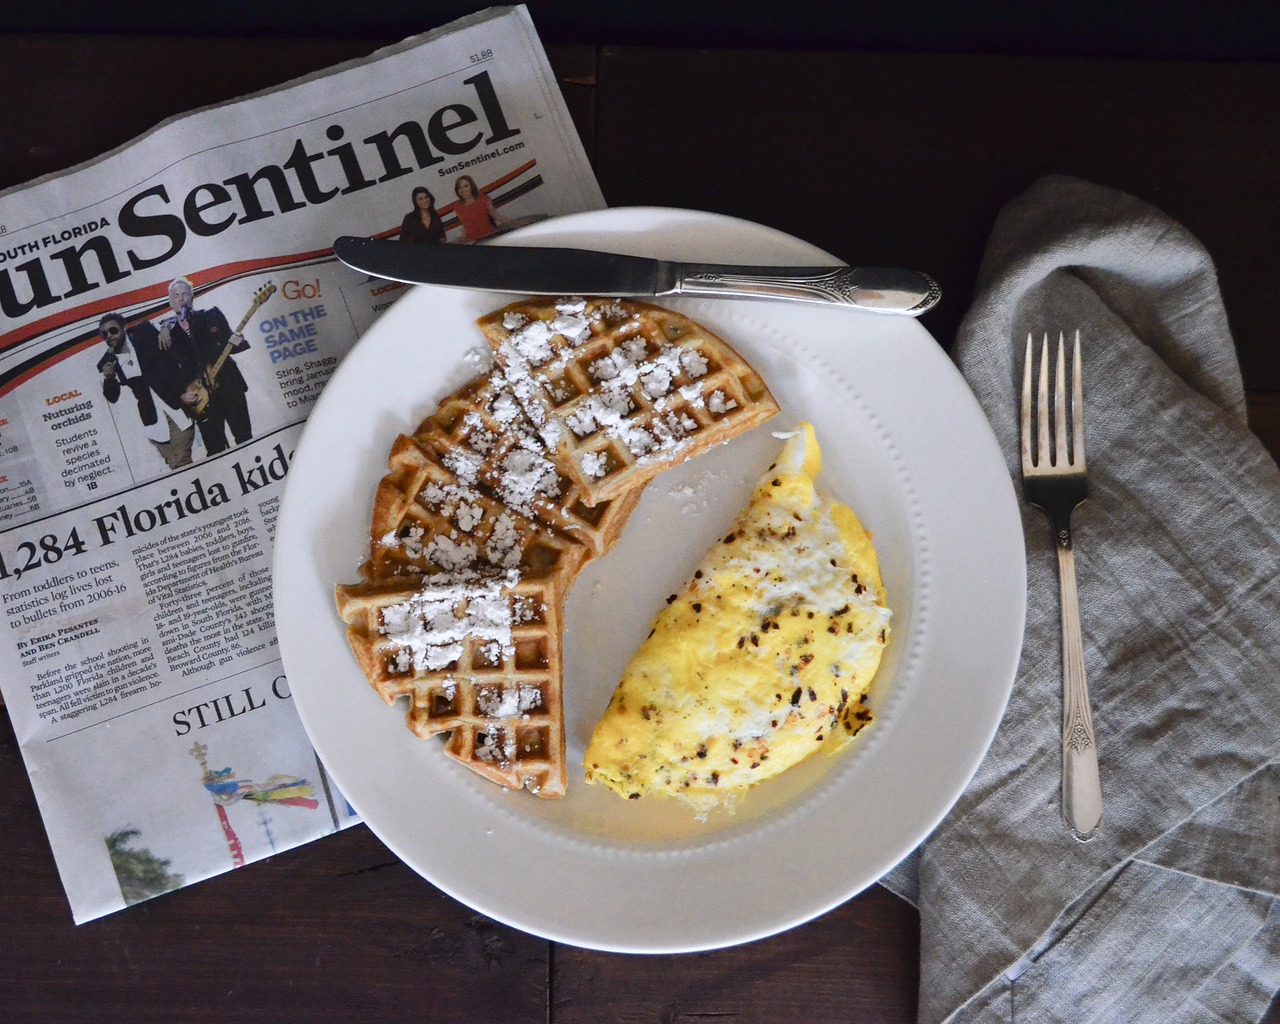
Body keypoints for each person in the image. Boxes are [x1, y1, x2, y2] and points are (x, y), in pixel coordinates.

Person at [161, 277, 253, 455]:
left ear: (192, 297)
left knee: (244, 437)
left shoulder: (210, 316)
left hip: (230, 388)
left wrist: (238, 341)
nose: (181, 299)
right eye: (176, 296)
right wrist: (181, 395)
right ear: (170, 302)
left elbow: (231, 344)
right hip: (200, 399)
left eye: (184, 294)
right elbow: (168, 373)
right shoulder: (166, 335)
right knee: (215, 448)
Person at [96, 312, 197, 470]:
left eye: (113, 330)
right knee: (175, 466)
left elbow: (172, 320)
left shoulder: (144, 333)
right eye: (104, 334)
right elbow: (112, 397)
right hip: (153, 423)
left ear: (124, 327)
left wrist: (164, 329)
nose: (109, 336)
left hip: (178, 409)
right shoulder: (108, 362)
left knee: (181, 462)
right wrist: (109, 379)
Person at [452, 174, 511, 243]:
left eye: (466, 186)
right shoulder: (457, 206)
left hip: (489, 236)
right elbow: (465, 225)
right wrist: (461, 239)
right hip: (471, 241)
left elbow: (496, 216)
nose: (463, 189)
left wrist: (515, 223)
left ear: (472, 186)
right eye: (460, 187)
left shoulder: (483, 199)